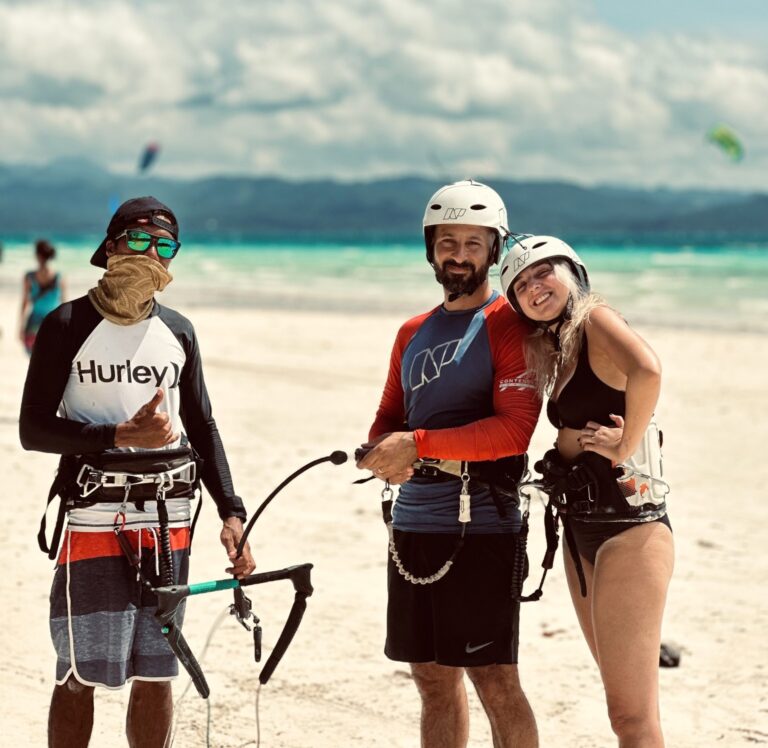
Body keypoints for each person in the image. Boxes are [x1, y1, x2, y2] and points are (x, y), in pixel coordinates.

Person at [19, 197, 256, 748]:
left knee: (158, 668)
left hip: (170, 516)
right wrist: (118, 436)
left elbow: (203, 424)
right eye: (140, 240)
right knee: (80, 667)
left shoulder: (180, 331)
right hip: (95, 509)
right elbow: (33, 430)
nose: (152, 254)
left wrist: (232, 512)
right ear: (111, 246)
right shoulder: (66, 325)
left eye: (165, 245)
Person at [357, 180, 541, 748]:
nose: (458, 254)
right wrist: (379, 452)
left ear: (495, 248)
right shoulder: (411, 332)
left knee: (495, 680)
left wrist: (415, 446)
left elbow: (514, 431)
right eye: (447, 241)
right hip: (413, 522)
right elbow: (388, 419)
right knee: (432, 679)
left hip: (482, 523)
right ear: (430, 247)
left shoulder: (511, 323)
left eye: (473, 242)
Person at [499, 236, 674, 747]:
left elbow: (648, 369)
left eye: (542, 273)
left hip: (629, 528)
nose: (534, 288)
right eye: (521, 286)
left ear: (572, 271)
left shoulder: (596, 319)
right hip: (580, 528)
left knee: (631, 715)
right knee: (621, 701)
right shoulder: (562, 344)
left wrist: (628, 443)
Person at [19, 239, 65, 354]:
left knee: (34, 362)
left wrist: (21, 327)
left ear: (37, 256)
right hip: (54, 324)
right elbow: (65, 305)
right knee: (51, 361)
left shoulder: (29, 277)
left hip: (34, 323)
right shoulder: (59, 277)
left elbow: (24, 303)